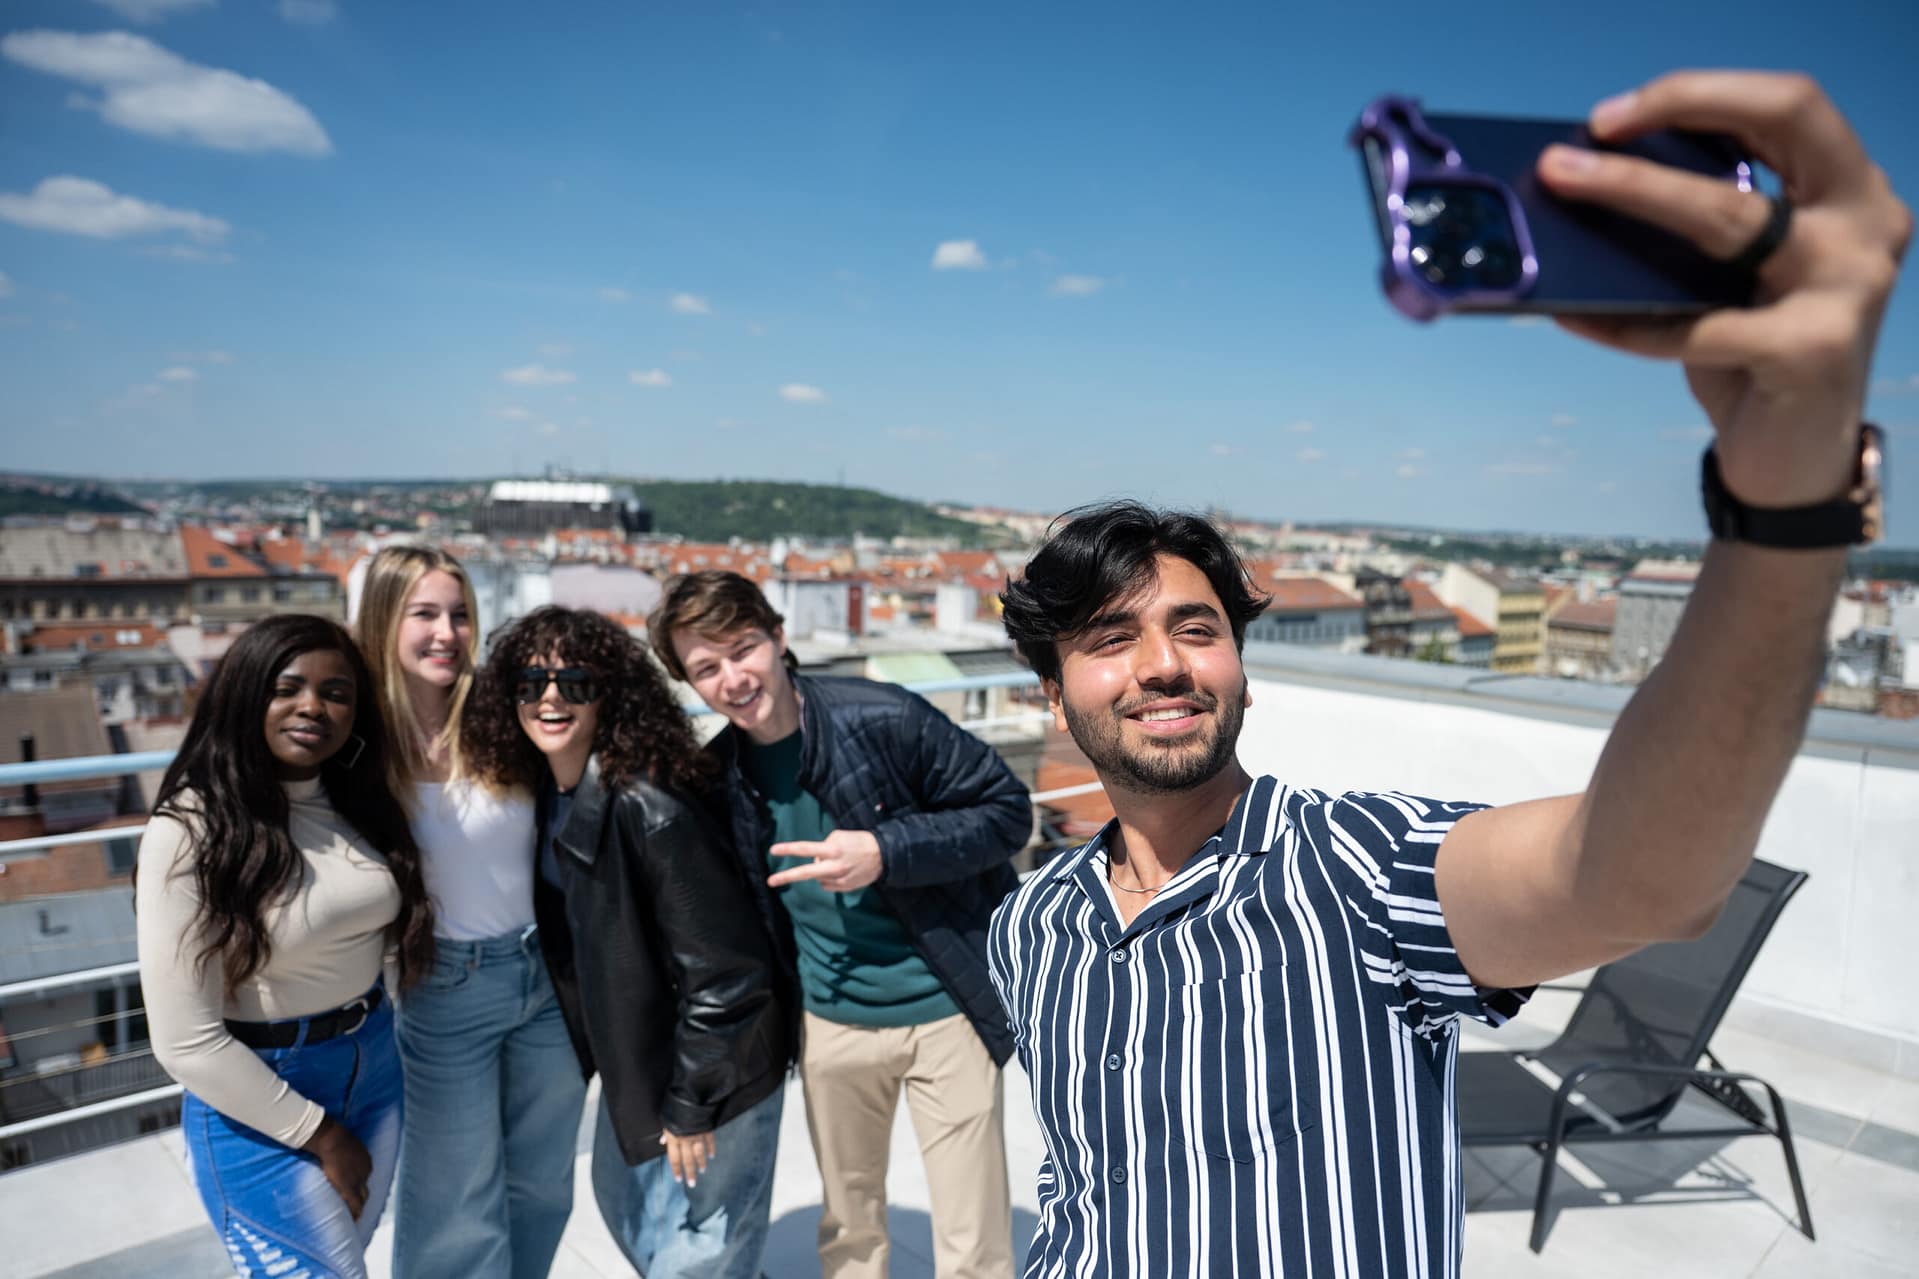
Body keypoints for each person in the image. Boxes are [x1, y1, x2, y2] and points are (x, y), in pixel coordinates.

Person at [986, 70, 1910, 1279]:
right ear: (1053, 700)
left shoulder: (1354, 874)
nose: (1162, 662)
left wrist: (1781, 501)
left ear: (1247, 673)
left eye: (1196, 628)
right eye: (1109, 640)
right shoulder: (1029, 931)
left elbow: (1640, 877)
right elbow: (1078, 1177)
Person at [652, 571, 1033, 1279]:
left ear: (778, 637)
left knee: (974, 1240)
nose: (733, 677)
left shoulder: (884, 716)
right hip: (829, 1024)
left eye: (743, 648)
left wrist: (884, 852)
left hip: (944, 1013)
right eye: (707, 667)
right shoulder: (715, 775)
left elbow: (1008, 812)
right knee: (851, 1236)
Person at [463, 604, 792, 1278]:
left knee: (693, 1252)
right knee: (636, 1218)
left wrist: (692, 1103)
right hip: (642, 1064)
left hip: (709, 1069)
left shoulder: (649, 804)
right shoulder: (547, 795)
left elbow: (728, 972)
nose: (550, 697)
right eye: (530, 682)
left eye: (575, 681)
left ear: (608, 693)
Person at [136, 614, 435, 1279]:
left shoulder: (355, 800)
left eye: (336, 692)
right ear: (246, 695)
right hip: (262, 1104)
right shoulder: (192, 829)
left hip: (375, 1069)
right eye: (288, 686)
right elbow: (183, 1041)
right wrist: (320, 1134)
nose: (313, 706)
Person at [357, 546, 585, 1279]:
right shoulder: (360, 742)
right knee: (455, 1197)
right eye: (423, 614)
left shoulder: (501, 713)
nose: (446, 632)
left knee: (542, 1183)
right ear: (385, 621)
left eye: (458, 614)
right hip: (444, 987)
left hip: (544, 976)